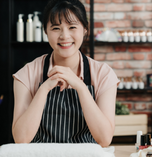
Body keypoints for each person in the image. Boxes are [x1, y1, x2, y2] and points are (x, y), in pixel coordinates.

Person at [12, 0, 119, 147]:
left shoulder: (103, 74)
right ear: (45, 31)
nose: (64, 36)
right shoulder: (27, 74)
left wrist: (80, 87)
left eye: (72, 27)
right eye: (56, 28)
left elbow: (104, 139)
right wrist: (43, 89)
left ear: (85, 29)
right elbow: (21, 138)